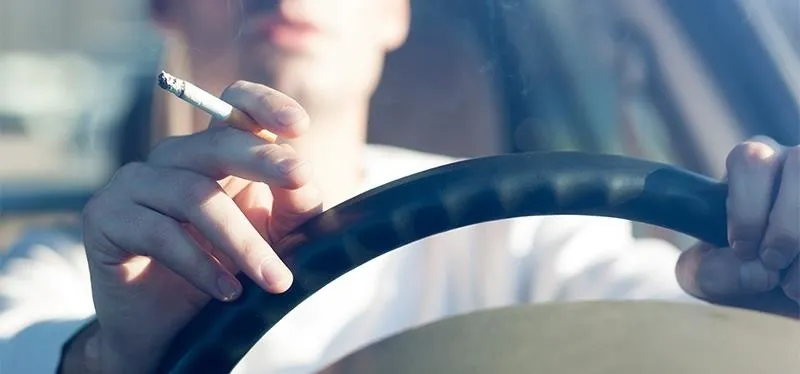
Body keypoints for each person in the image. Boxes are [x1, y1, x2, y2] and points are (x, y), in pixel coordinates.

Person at [1, 0, 798, 373]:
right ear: (167, 9)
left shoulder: (528, 228)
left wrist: (777, 289)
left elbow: (687, 342)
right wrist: (108, 360)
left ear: (394, 14)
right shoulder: (78, 269)